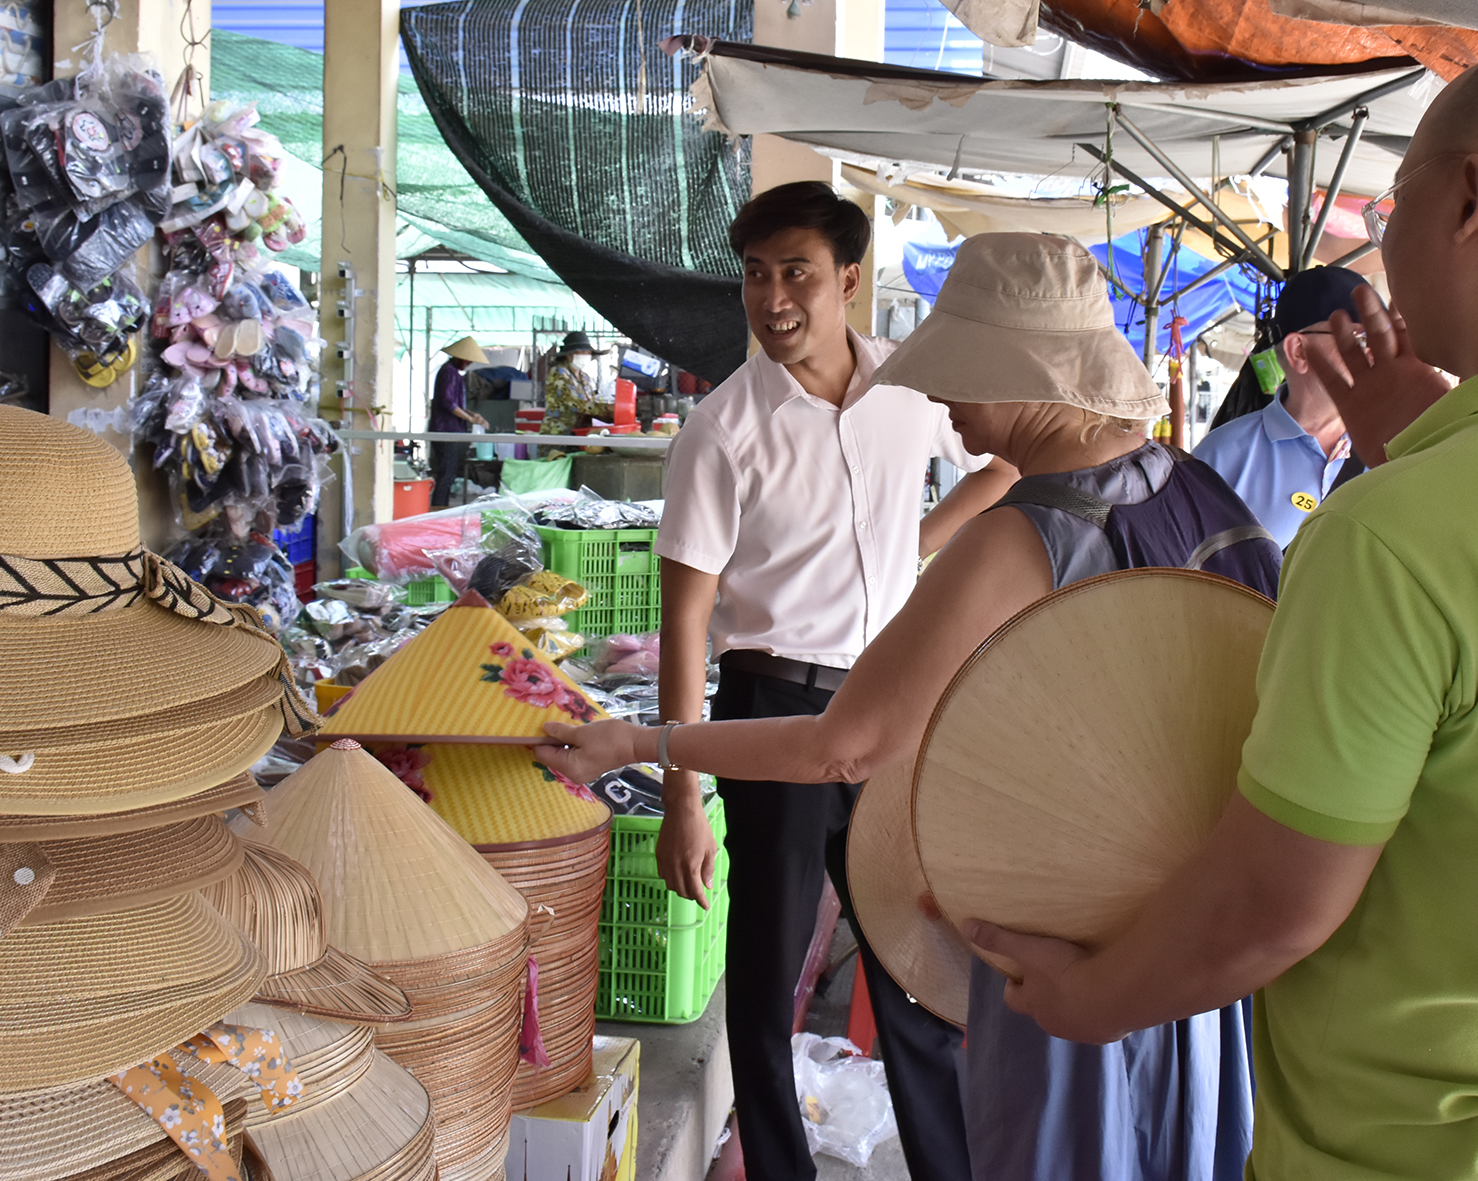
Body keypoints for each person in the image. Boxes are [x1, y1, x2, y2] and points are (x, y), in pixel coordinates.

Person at [969, 36, 1478, 1180]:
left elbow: (1269, 906)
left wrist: (1084, 996)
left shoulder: (1393, 533)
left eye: (1394, 200)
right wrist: (1429, 441)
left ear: (1468, 198)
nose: (1382, 238)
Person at [537, 232, 1280, 1181]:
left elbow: (844, 746)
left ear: (1018, 371)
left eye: (958, 372)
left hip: (1074, 959)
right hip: (1200, 963)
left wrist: (639, 740)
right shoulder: (1208, 496)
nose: (940, 401)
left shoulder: (1023, 538)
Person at [600, 181, 1015, 1181]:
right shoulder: (720, 428)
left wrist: (918, 543)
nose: (772, 295)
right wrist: (682, 801)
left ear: (848, 281)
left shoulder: (911, 392)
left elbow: (1004, 461)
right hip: (770, 708)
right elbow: (686, 621)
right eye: (754, 273)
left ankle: (945, 1160)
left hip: (889, 702)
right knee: (767, 961)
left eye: (796, 272)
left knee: (912, 958)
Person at [1192, 266, 1369, 546]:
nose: (1372, 352)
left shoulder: (1392, 450)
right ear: (1298, 351)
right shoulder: (1220, 458)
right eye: (1360, 338)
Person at [430, 336, 490, 508]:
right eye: (468, 360)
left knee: (448, 474)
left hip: (451, 431)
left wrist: (473, 415)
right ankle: (439, 508)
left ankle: (441, 506)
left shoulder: (453, 373)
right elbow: (448, 403)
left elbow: (458, 405)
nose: (469, 363)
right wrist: (470, 419)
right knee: (446, 474)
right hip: (446, 431)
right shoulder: (448, 372)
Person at [541, 330, 605, 442]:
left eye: (587, 353)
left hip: (579, 435)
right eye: (581, 352)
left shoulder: (585, 378)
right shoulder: (558, 373)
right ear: (569, 355)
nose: (585, 356)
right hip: (557, 436)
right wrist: (607, 410)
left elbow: (592, 402)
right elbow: (575, 404)